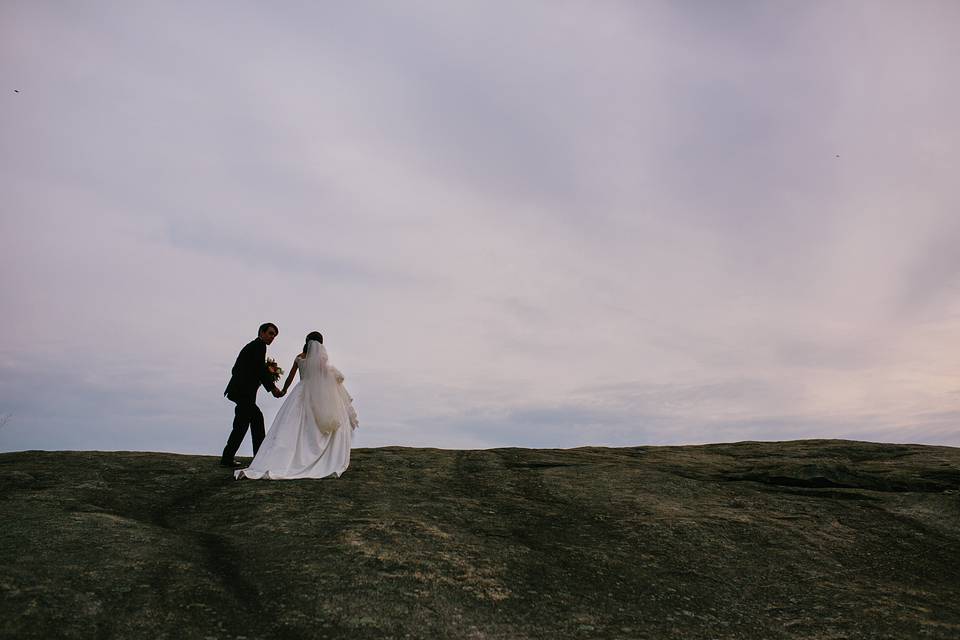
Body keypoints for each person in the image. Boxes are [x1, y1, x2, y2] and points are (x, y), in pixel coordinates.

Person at [236, 331, 359, 480]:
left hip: (300, 391)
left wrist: (284, 390)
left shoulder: (299, 357)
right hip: (316, 392)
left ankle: (284, 457)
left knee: (293, 423)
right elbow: (323, 375)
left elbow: (290, 377)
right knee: (315, 423)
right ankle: (315, 455)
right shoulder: (321, 358)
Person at [221, 323, 284, 468]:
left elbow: (239, 369)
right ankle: (258, 457)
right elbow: (259, 370)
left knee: (244, 423)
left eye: (274, 335)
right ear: (261, 332)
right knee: (252, 420)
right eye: (270, 333)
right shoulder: (259, 346)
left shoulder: (254, 346)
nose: (272, 337)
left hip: (240, 392)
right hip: (243, 393)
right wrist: (273, 388)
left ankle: (231, 457)